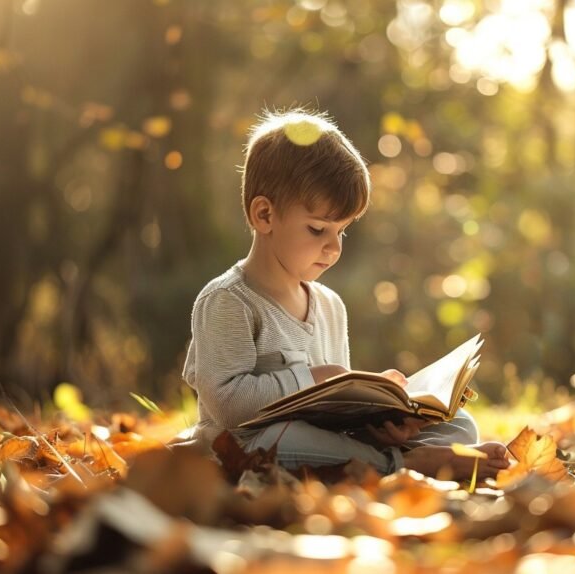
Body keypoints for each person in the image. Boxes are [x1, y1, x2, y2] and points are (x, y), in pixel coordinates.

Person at [179, 109, 508, 480]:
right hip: (247, 447)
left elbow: (333, 413)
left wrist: (379, 414)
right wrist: (317, 377)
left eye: (342, 231)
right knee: (283, 439)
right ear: (265, 215)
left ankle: (395, 454)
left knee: (460, 424)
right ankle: (409, 464)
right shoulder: (227, 301)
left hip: (322, 442)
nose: (333, 248)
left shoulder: (330, 306)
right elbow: (227, 406)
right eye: (318, 229)